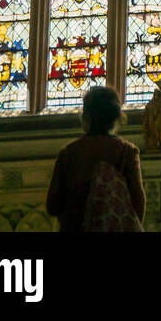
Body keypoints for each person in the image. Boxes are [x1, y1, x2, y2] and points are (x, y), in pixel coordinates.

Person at [46, 85, 146, 232]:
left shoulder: (68, 153)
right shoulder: (127, 152)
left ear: (86, 117)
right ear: (116, 118)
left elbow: (52, 205)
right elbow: (138, 203)